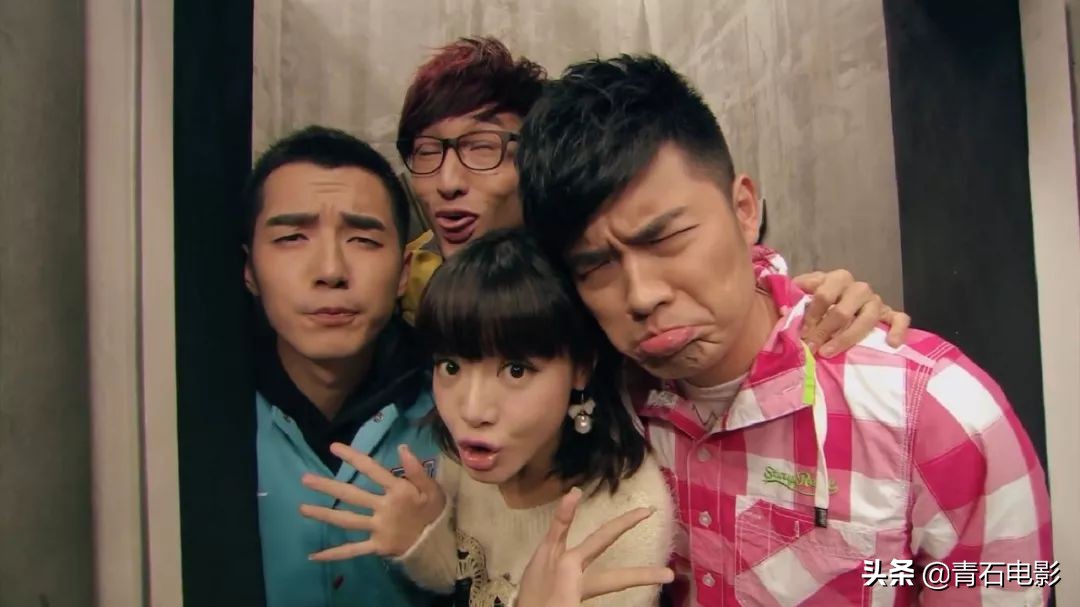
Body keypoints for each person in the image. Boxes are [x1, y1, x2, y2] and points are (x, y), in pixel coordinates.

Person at [515, 54, 1053, 606]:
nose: (641, 294)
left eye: (664, 239)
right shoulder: (600, 403)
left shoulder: (933, 413)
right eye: (596, 266)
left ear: (745, 209)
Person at [394, 36, 910, 358]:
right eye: (425, 152)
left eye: (481, 147)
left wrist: (830, 306)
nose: (448, 181)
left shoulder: (595, 292)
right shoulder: (399, 288)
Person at [299, 229, 675, 607]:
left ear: (581, 368)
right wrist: (421, 537)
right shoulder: (465, 459)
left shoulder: (627, 517)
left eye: (515, 371)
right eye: (450, 366)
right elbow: (460, 580)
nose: (472, 411)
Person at [241, 125, 442, 606]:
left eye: (363, 240)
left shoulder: (458, 408)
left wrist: (438, 550)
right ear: (249, 270)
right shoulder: (192, 424)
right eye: (292, 237)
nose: (331, 270)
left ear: (403, 272)